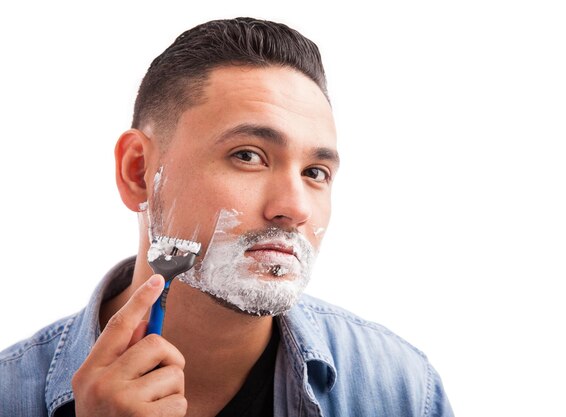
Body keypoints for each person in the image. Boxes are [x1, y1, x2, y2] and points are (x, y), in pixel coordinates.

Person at [0, 17, 454, 417]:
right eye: (248, 156)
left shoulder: (403, 391)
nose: (294, 208)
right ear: (138, 171)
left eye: (315, 172)